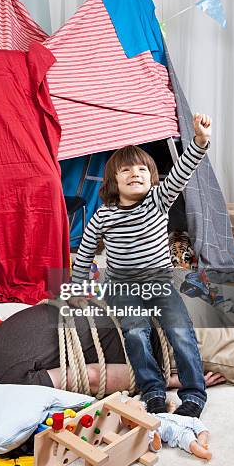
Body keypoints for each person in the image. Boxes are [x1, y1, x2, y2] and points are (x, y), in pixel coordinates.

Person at [71, 114, 212, 417]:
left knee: (180, 331)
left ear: (152, 177)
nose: (135, 173)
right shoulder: (103, 216)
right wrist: (76, 288)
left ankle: (194, 395)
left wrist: (199, 141)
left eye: (142, 169)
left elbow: (183, 171)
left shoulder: (159, 201)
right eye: (126, 170)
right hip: (122, 287)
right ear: (113, 181)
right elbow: (83, 254)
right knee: (135, 332)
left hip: (159, 283)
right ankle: (153, 391)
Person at [0, 302, 224, 392]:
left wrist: (172, 381)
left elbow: (92, 376)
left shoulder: (5, 378)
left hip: (160, 346)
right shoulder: (10, 322)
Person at [122, 398, 211, 461]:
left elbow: (165, 417)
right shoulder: (147, 430)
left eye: (130, 421)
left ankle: (202, 440)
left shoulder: (152, 415)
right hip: (178, 434)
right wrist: (156, 440)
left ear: (143, 409)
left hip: (182, 419)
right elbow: (154, 447)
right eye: (129, 426)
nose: (131, 426)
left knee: (197, 423)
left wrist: (172, 411)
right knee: (190, 442)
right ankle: (203, 452)